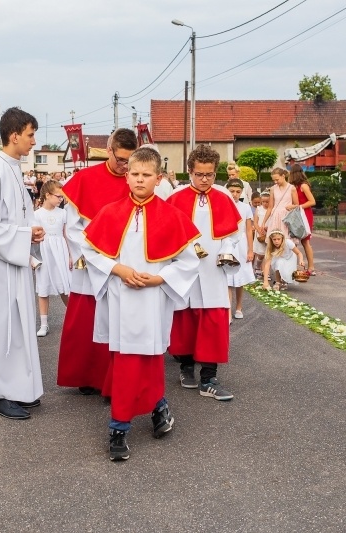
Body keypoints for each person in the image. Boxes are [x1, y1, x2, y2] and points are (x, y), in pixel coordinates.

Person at [83, 147, 200, 460]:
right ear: (126, 175)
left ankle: (158, 406)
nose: (139, 179)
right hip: (122, 300)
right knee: (125, 362)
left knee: (150, 358)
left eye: (146, 175)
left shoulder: (172, 216)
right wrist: (118, 268)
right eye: (134, 173)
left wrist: (161, 279)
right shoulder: (109, 212)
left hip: (152, 299)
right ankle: (120, 426)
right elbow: (92, 252)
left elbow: (188, 262)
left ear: (158, 178)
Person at [0, 107, 45, 421]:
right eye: (30, 135)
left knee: (19, 327)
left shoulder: (13, 168)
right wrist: (25, 234)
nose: (33, 141)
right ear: (14, 135)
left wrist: (32, 233)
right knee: (3, 327)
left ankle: (20, 389)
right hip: (1, 267)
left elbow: (15, 218)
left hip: (14, 261)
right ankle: (1, 395)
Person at [57, 128, 138, 395]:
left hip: (121, 260)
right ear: (109, 150)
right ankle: (87, 376)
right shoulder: (84, 179)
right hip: (91, 260)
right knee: (86, 317)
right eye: (120, 158)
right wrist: (96, 254)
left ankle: (114, 377)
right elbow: (72, 226)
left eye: (129, 160)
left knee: (118, 318)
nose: (124, 165)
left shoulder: (134, 181)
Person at [167, 144, 241, 401]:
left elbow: (232, 234)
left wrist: (227, 252)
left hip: (212, 269)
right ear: (190, 171)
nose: (205, 179)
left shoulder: (223, 196)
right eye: (199, 174)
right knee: (184, 318)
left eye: (209, 174)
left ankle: (209, 378)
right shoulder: (175, 197)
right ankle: (186, 368)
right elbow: (166, 233)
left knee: (212, 319)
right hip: (185, 267)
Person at [34, 180, 71, 337]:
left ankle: (72, 319)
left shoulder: (63, 213)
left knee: (65, 286)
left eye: (62, 197)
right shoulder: (37, 215)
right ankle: (44, 324)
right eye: (58, 196)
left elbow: (66, 234)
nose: (61, 199)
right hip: (44, 251)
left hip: (60, 250)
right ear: (48, 195)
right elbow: (34, 238)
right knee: (43, 287)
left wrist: (70, 255)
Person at [225, 179, 255, 321]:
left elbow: (249, 230)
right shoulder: (223, 205)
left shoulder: (245, 207)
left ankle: (239, 307)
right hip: (228, 243)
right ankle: (228, 311)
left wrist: (250, 250)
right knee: (228, 279)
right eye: (232, 191)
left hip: (242, 245)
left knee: (240, 278)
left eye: (238, 192)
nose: (235, 194)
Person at [289, 163, 317, 275]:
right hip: (295, 215)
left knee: (305, 241)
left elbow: (312, 201)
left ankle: (311, 267)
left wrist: (298, 206)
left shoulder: (303, 186)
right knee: (292, 241)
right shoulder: (292, 187)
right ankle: (292, 267)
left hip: (304, 214)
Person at [258, 167, 298, 237]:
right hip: (275, 217)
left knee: (286, 240)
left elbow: (297, 205)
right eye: (274, 180)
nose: (275, 182)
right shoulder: (273, 189)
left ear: (283, 176)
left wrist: (292, 206)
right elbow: (270, 207)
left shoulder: (292, 188)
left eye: (277, 180)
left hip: (287, 217)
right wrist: (264, 222)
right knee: (274, 240)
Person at [253, 192, 270, 280]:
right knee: (261, 254)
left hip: (269, 233)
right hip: (260, 234)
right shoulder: (259, 209)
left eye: (267, 202)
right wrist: (259, 230)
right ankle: (257, 267)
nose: (265, 204)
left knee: (268, 254)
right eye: (263, 202)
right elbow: (255, 222)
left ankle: (266, 272)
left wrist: (268, 229)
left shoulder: (272, 209)